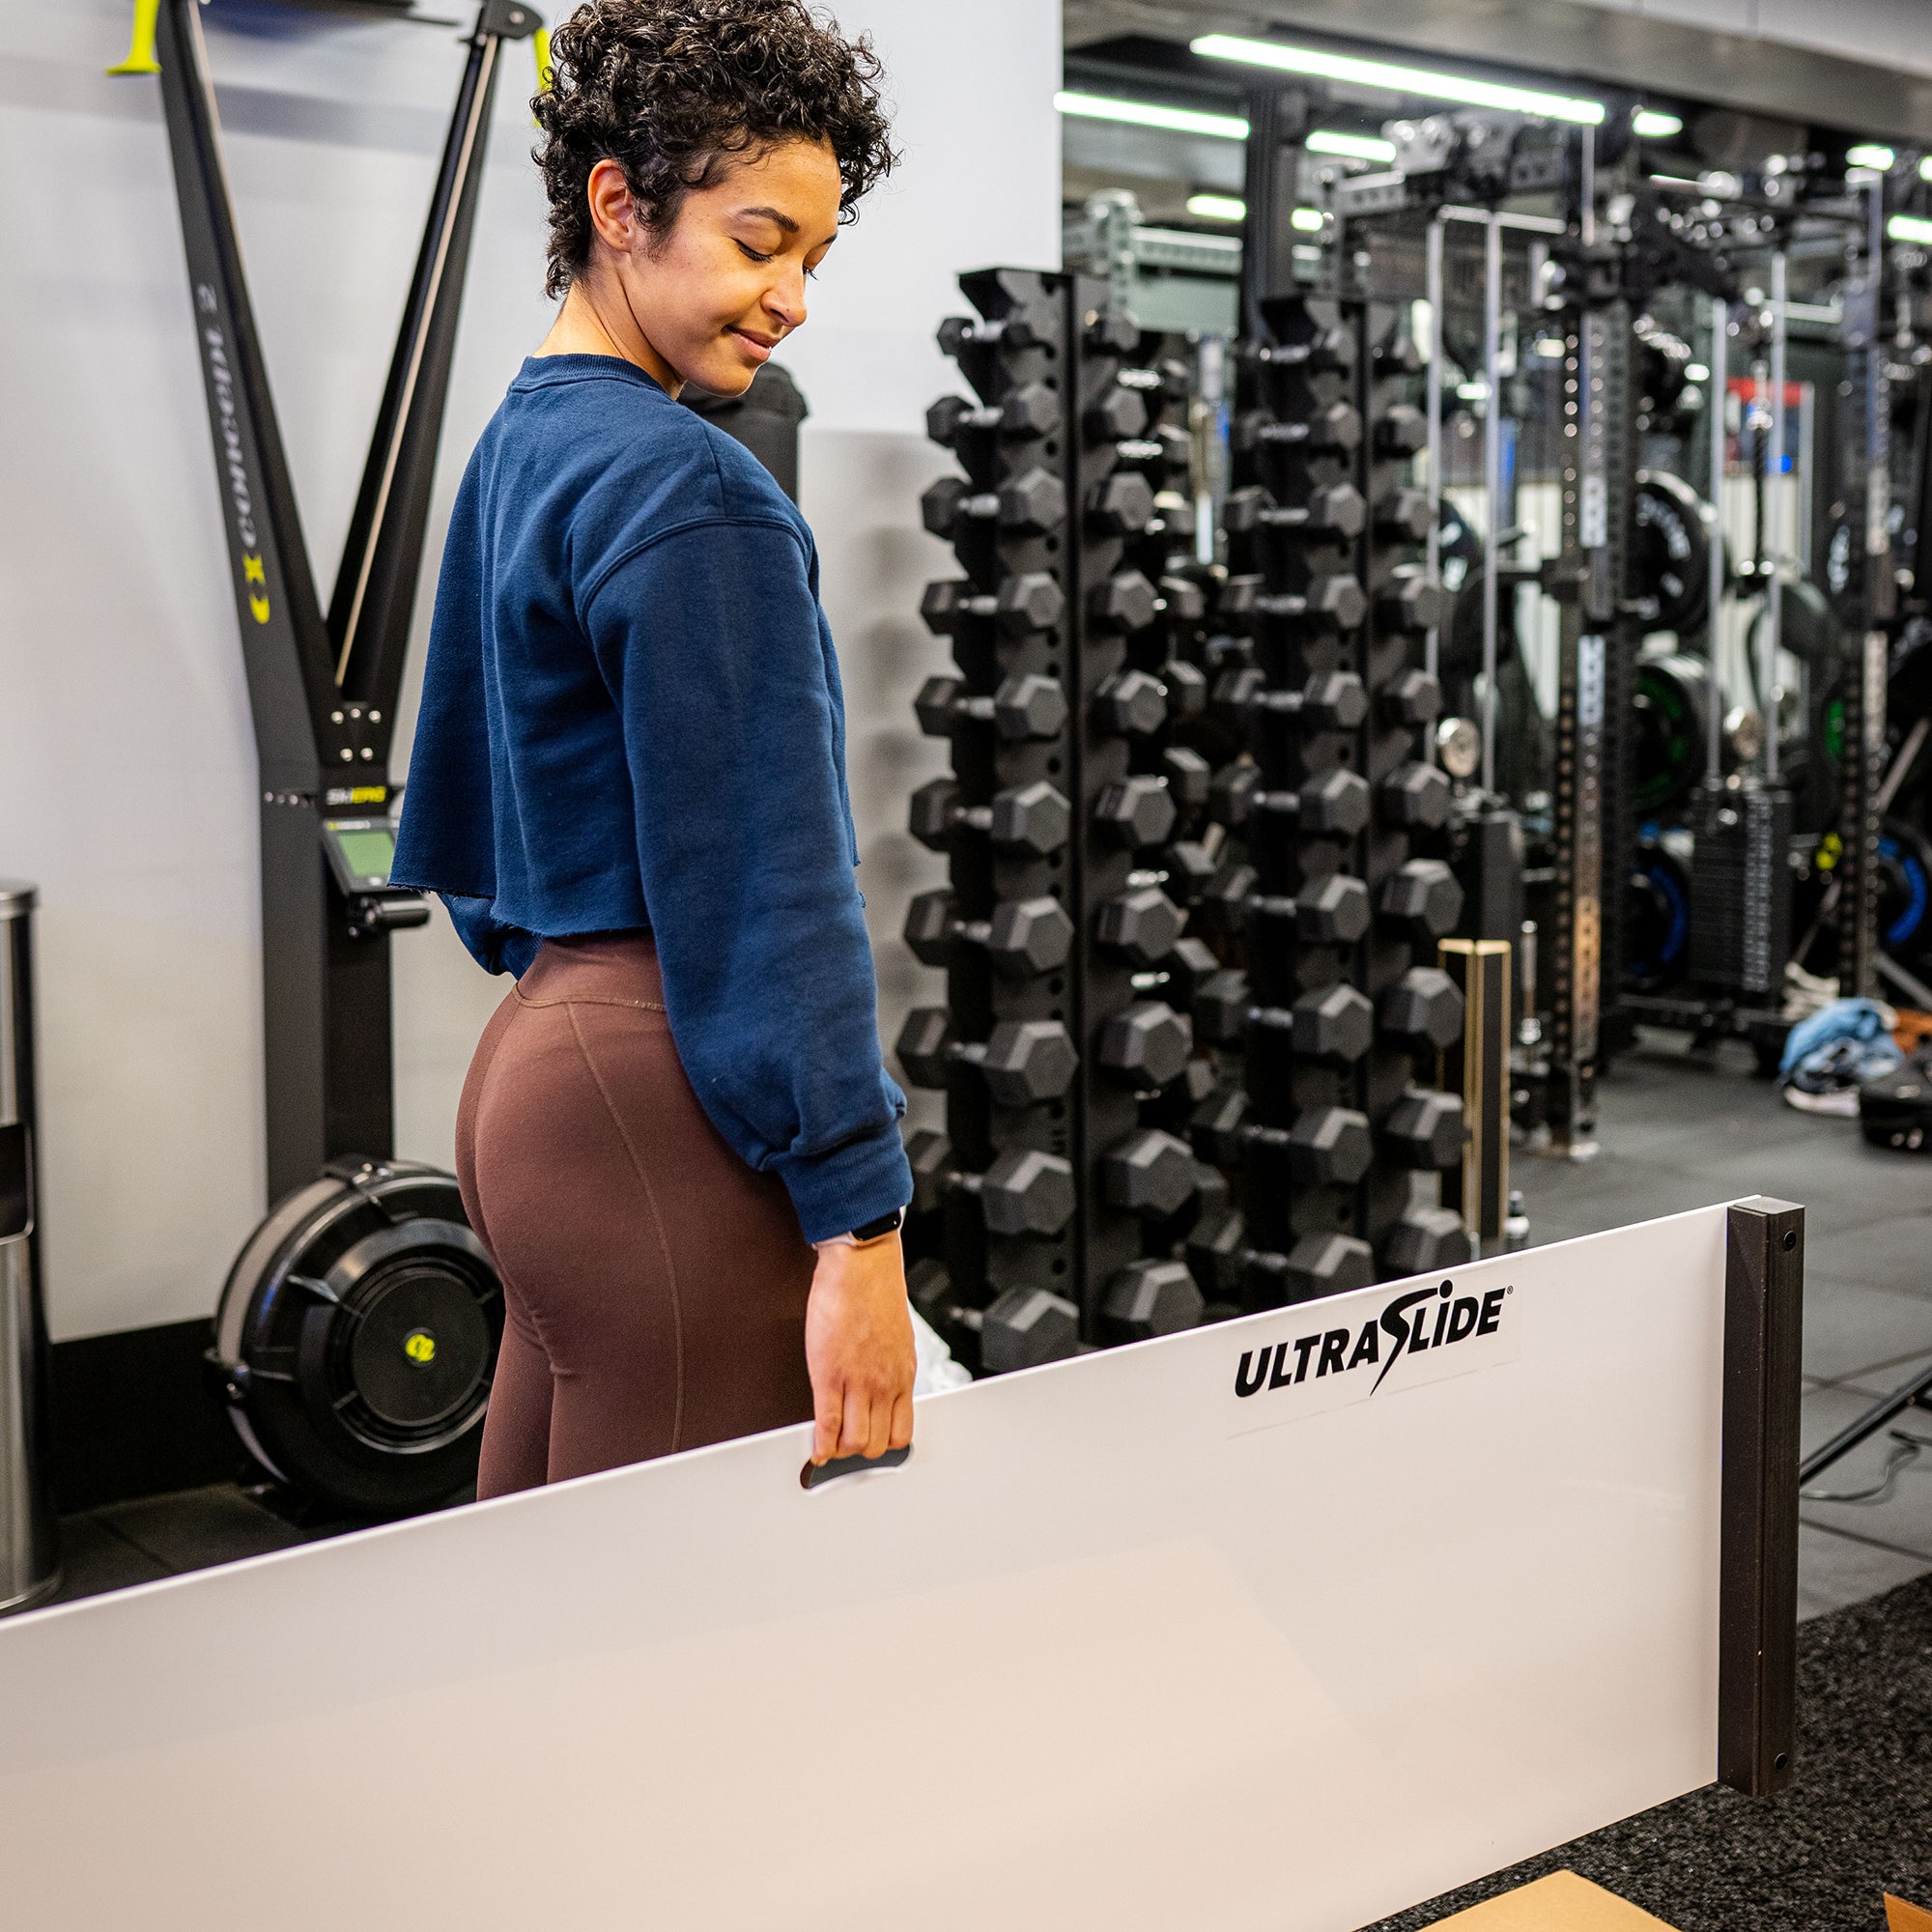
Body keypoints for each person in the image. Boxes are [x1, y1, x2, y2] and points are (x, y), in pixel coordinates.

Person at [391, 0, 914, 1497]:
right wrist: (861, 1227)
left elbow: (471, 820)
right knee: (692, 1653)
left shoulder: (525, 441)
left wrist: (578, 1002)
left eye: (814, 256)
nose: (795, 296)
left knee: (545, 1602)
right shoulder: (699, 495)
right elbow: (774, 894)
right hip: (659, 1104)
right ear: (621, 205)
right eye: (761, 243)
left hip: (536, 1078)